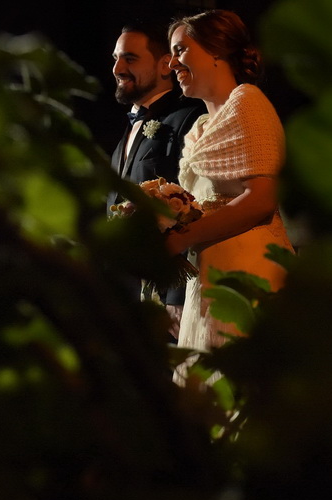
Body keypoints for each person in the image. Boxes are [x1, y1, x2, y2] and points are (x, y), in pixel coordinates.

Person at [165, 10, 293, 352]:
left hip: (247, 270)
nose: (171, 64)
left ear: (216, 50)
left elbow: (261, 198)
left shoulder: (247, 104)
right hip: (209, 273)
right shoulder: (200, 128)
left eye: (180, 50)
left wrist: (183, 238)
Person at [109, 18, 205, 333]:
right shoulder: (125, 133)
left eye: (130, 58)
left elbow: (194, 205)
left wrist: (177, 295)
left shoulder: (188, 120)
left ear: (166, 65)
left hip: (163, 297)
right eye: (116, 59)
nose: (117, 68)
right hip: (122, 297)